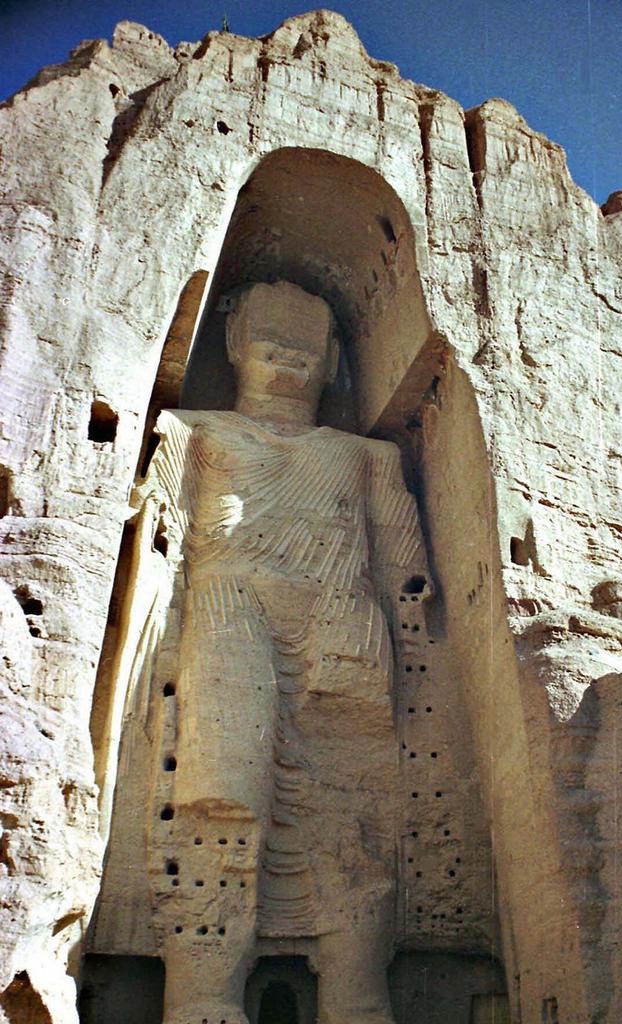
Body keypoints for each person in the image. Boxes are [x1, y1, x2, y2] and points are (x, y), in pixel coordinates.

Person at [102, 281, 430, 1024]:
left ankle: (355, 992)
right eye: (268, 341)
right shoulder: (195, 432)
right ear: (231, 344)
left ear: (335, 359)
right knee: (216, 794)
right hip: (228, 608)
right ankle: (201, 992)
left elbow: (407, 568)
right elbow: (153, 547)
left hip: (340, 617)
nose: (286, 358)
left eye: (305, 346)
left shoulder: (367, 456)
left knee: (353, 810)